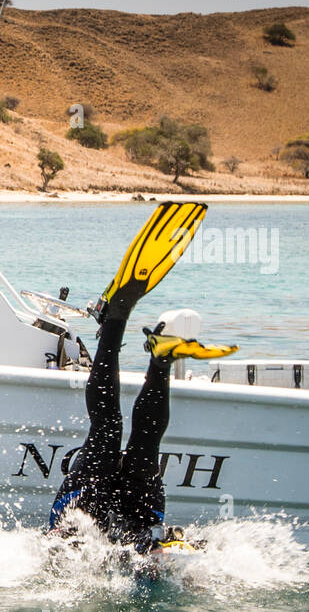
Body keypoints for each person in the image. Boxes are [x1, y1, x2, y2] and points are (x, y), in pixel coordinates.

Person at [48, 202, 238, 553]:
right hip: (132, 523)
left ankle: (157, 358)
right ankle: (122, 327)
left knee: (128, 437)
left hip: (91, 517)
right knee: (109, 428)